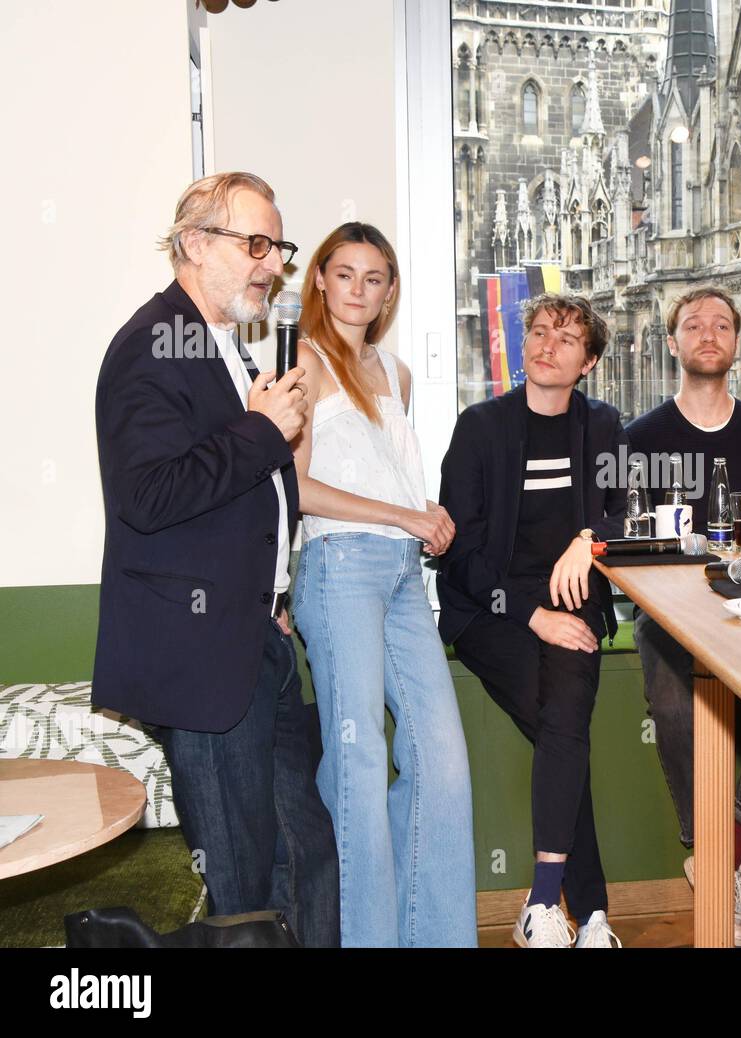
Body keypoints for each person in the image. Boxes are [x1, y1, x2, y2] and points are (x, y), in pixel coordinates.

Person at [93, 172, 339, 947]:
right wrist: (264, 430)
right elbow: (150, 495)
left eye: (279, 248)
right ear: (195, 244)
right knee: (241, 891)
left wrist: (276, 587)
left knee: (306, 857)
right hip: (201, 659)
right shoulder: (150, 346)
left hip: (259, 641)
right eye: (255, 244)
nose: (272, 264)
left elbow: (242, 495)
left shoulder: (226, 349)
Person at [290, 223, 476, 947]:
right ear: (321, 281)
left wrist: (425, 515)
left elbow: (386, 473)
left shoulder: (395, 374)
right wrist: (406, 512)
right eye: (345, 274)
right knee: (359, 761)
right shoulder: (301, 364)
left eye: (375, 278)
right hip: (339, 569)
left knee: (443, 762)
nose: (359, 290)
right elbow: (300, 489)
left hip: (403, 574)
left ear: (390, 290)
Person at [625, 285, 741, 947]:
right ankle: (712, 847)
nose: (708, 333)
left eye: (722, 324)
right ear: (673, 343)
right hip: (672, 615)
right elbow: (628, 547)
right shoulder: (639, 438)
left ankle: (724, 851)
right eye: (693, 324)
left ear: (737, 343)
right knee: (674, 702)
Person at [437, 293, 628, 948]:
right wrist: (532, 617)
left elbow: (622, 513)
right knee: (562, 722)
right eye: (538, 332)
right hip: (492, 609)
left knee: (563, 718)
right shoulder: (481, 425)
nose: (547, 345)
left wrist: (588, 538)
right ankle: (586, 909)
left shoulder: (603, 426)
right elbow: (460, 552)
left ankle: (549, 906)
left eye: (566, 338)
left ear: (590, 361)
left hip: (573, 601)